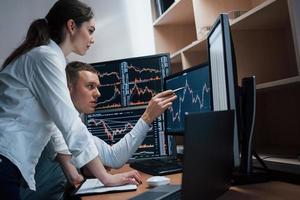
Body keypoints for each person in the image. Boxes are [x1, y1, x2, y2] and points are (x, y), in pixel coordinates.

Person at [0, 0, 176, 199]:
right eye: (90, 30)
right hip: (5, 159)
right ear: (72, 26)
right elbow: (69, 123)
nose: (92, 39)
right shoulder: (45, 57)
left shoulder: (48, 57)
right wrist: (106, 178)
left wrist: (71, 165)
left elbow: (56, 125)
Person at [20, 61, 175, 199]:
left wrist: (147, 118)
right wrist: (148, 116)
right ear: (67, 89)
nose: (98, 93)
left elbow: (113, 157)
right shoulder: (53, 121)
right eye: (90, 86)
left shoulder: (75, 126)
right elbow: (74, 177)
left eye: (98, 87)